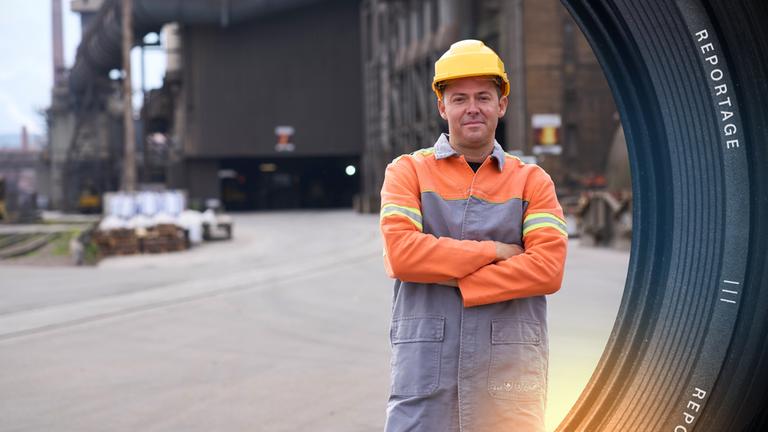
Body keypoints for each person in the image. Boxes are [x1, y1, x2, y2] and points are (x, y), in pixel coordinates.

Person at [379, 39, 568, 431]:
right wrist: (498, 250)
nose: (472, 108)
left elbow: (547, 270)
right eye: (460, 98)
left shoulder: (532, 181)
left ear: (501, 105)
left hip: (508, 373)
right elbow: (402, 256)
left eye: (484, 96)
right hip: (426, 374)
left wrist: (451, 278)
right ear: (442, 107)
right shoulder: (407, 173)